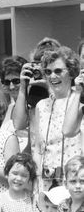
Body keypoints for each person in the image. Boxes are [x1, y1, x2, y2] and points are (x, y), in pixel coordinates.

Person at [34, 46, 82, 191]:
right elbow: (38, 148)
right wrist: (37, 182)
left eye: (58, 71)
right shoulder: (41, 106)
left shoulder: (80, 102)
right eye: (48, 72)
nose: (52, 76)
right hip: (48, 182)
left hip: (76, 182)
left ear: (71, 72)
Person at [12, 37, 60, 154]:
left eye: (46, 67)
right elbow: (18, 124)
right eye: (37, 65)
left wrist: (49, 87)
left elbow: (61, 121)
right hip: (37, 158)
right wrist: (23, 87)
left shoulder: (67, 90)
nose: (41, 71)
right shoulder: (33, 89)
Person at [0, 55, 28, 151]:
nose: (11, 86)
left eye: (16, 81)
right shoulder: (10, 108)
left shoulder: (33, 107)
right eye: (7, 82)